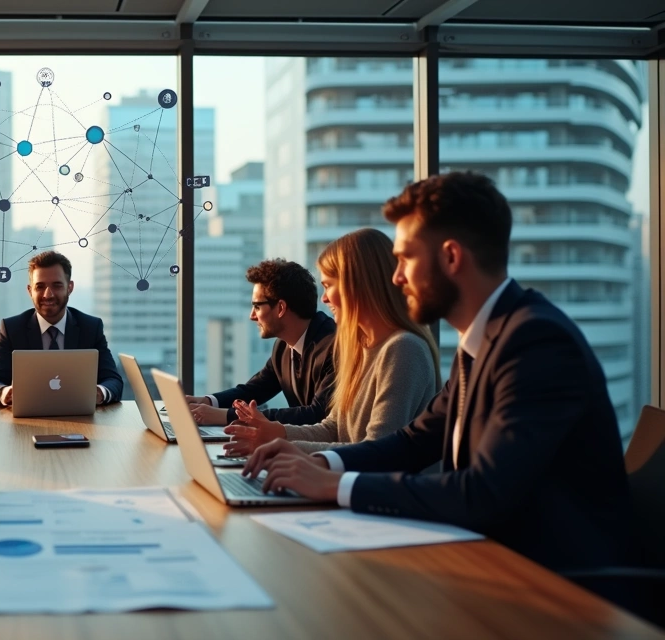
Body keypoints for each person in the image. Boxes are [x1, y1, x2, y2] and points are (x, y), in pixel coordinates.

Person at [245, 172, 634, 571]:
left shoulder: (537, 342)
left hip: (557, 583)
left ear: (451, 257)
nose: (396, 277)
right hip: (490, 562)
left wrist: (337, 484)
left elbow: (484, 492)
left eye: (406, 259)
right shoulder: (482, 342)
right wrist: (322, 465)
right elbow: (411, 442)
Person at [223, 229, 439, 456]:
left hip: (374, 479)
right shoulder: (359, 348)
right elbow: (333, 428)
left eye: (328, 286)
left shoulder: (403, 349)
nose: (324, 298)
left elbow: (376, 451)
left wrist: (284, 446)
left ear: (357, 285)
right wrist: (277, 433)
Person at [185, 259, 337, 426]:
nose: (252, 316)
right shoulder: (283, 347)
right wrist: (208, 401)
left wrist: (226, 416)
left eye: (257, 306)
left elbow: (316, 414)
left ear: (280, 308)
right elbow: (255, 390)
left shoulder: (334, 347)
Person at [0, 251, 123, 406]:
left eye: (57, 285)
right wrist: (4, 393)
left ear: (70, 287)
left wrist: (99, 393)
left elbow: (113, 380)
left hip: (79, 416)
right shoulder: (12, 329)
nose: (48, 295)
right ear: (30, 291)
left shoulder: (91, 327)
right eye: (40, 287)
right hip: (27, 419)